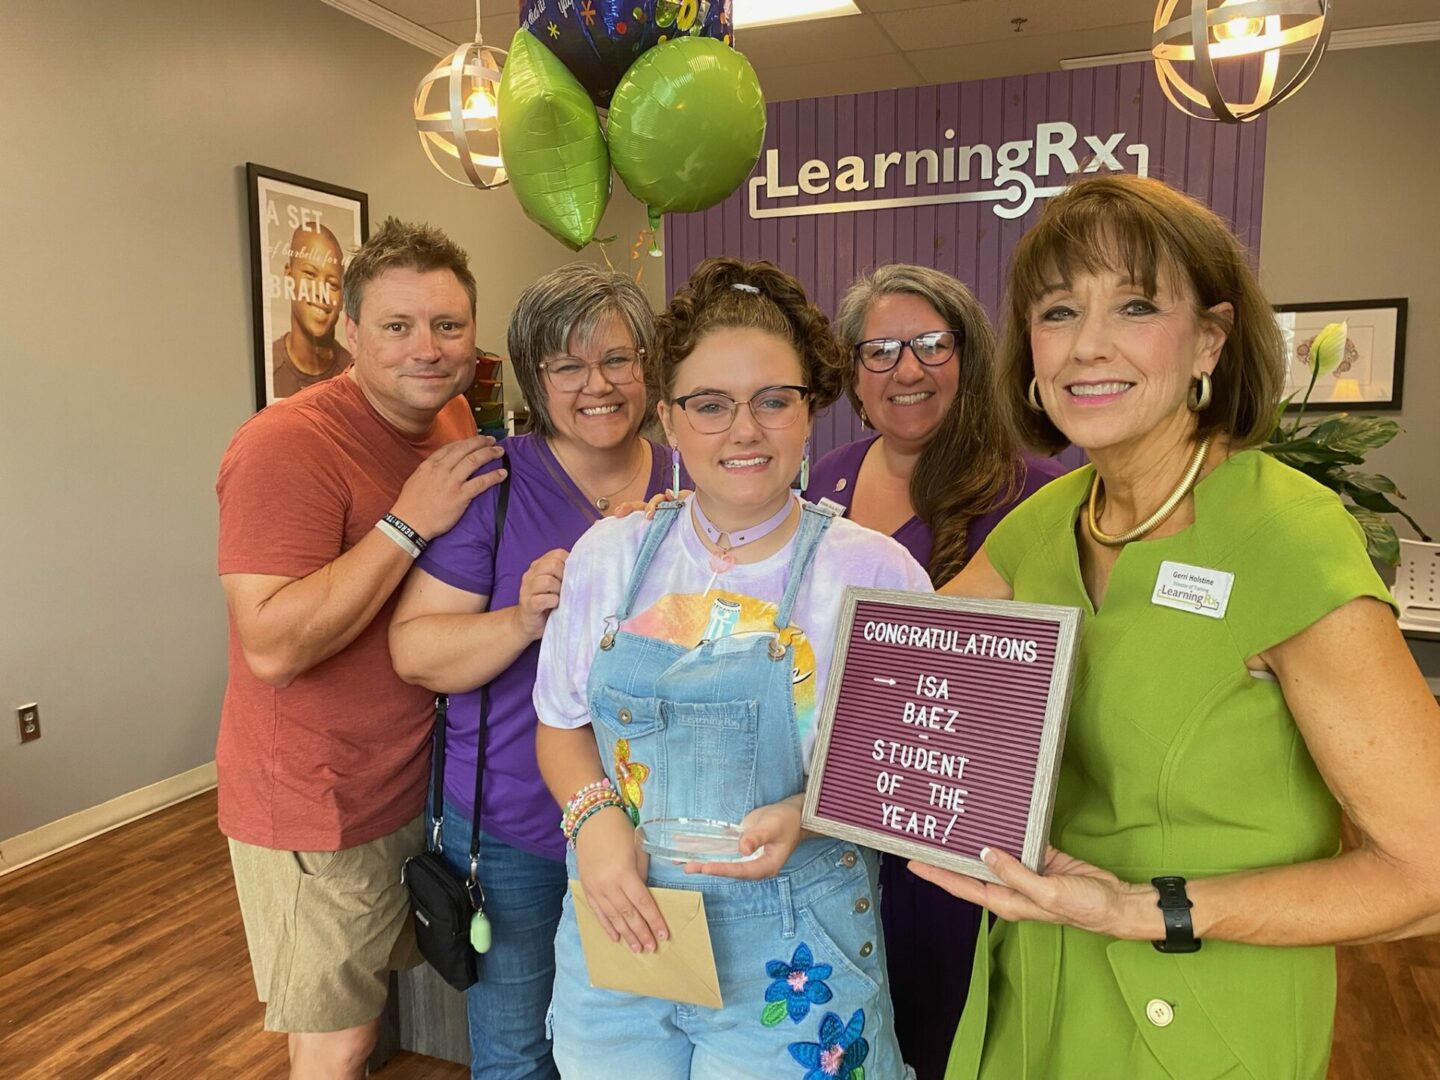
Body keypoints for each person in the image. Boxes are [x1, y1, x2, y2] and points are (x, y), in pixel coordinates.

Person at [911, 174, 1440, 1079]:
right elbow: (894, 674)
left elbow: (1425, 870)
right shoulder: (1043, 524)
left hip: (1201, 1013)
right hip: (1034, 992)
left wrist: (1149, 909)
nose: (1088, 347)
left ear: (1211, 339)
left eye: (1135, 305)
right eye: (1058, 312)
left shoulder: (1286, 537)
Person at [532, 257, 932, 1079]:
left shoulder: (876, 573)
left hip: (797, 951)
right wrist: (595, 820)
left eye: (773, 401)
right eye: (710, 405)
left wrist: (812, 815)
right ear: (670, 422)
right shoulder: (609, 556)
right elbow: (561, 725)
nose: (743, 430)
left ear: (810, 409)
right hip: (623, 928)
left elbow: (907, 772)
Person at [216, 217, 505, 1079]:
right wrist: (407, 521)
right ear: (348, 331)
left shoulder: (452, 415)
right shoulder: (285, 444)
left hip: (413, 779)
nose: (427, 348)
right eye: (396, 326)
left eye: (447, 326)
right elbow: (270, 645)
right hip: (316, 800)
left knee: (381, 1007)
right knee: (336, 1041)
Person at [389, 264, 675, 1079]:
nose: (599, 385)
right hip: (513, 827)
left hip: (659, 828)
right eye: (568, 366)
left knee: (646, 1046)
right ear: (533, 376)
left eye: (619, 360)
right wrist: (522, 617)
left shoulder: (693, 480)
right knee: (516, 1054)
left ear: (648, 369)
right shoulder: (495, 488)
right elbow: (415, 653)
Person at [814, 264, 1065, 1078]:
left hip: (954, 836)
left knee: (943, 1034)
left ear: (970, 354)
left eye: (930, 344)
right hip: (831, 817)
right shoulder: (824, 483)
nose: (907, 369)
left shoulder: (1033, 493)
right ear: (853, 372)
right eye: (880, 350)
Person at [271, 222, 354, 398]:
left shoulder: (356, 374)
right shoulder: (270, 366)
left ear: (342, 299)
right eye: (310, 274)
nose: (321, 293)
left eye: (332, 284)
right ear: (288, 276)